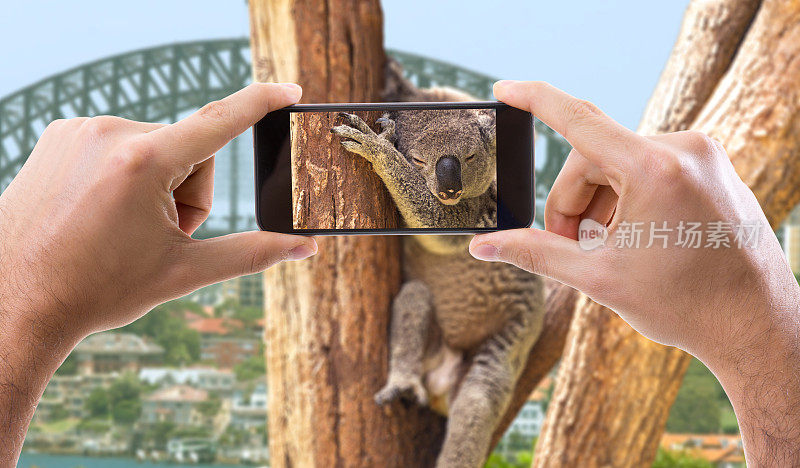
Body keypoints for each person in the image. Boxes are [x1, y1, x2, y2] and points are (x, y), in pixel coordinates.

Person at [0, 80, 795, 465]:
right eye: (427, 157)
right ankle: (406, 379)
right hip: (432, 322)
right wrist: (763, 331)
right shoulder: (437, 137)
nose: (448, 171)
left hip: (490, 338)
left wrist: (22, 298)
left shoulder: (471, 195)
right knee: (411, 301)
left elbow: (440, 216)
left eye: (464, 160)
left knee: (478, 402)